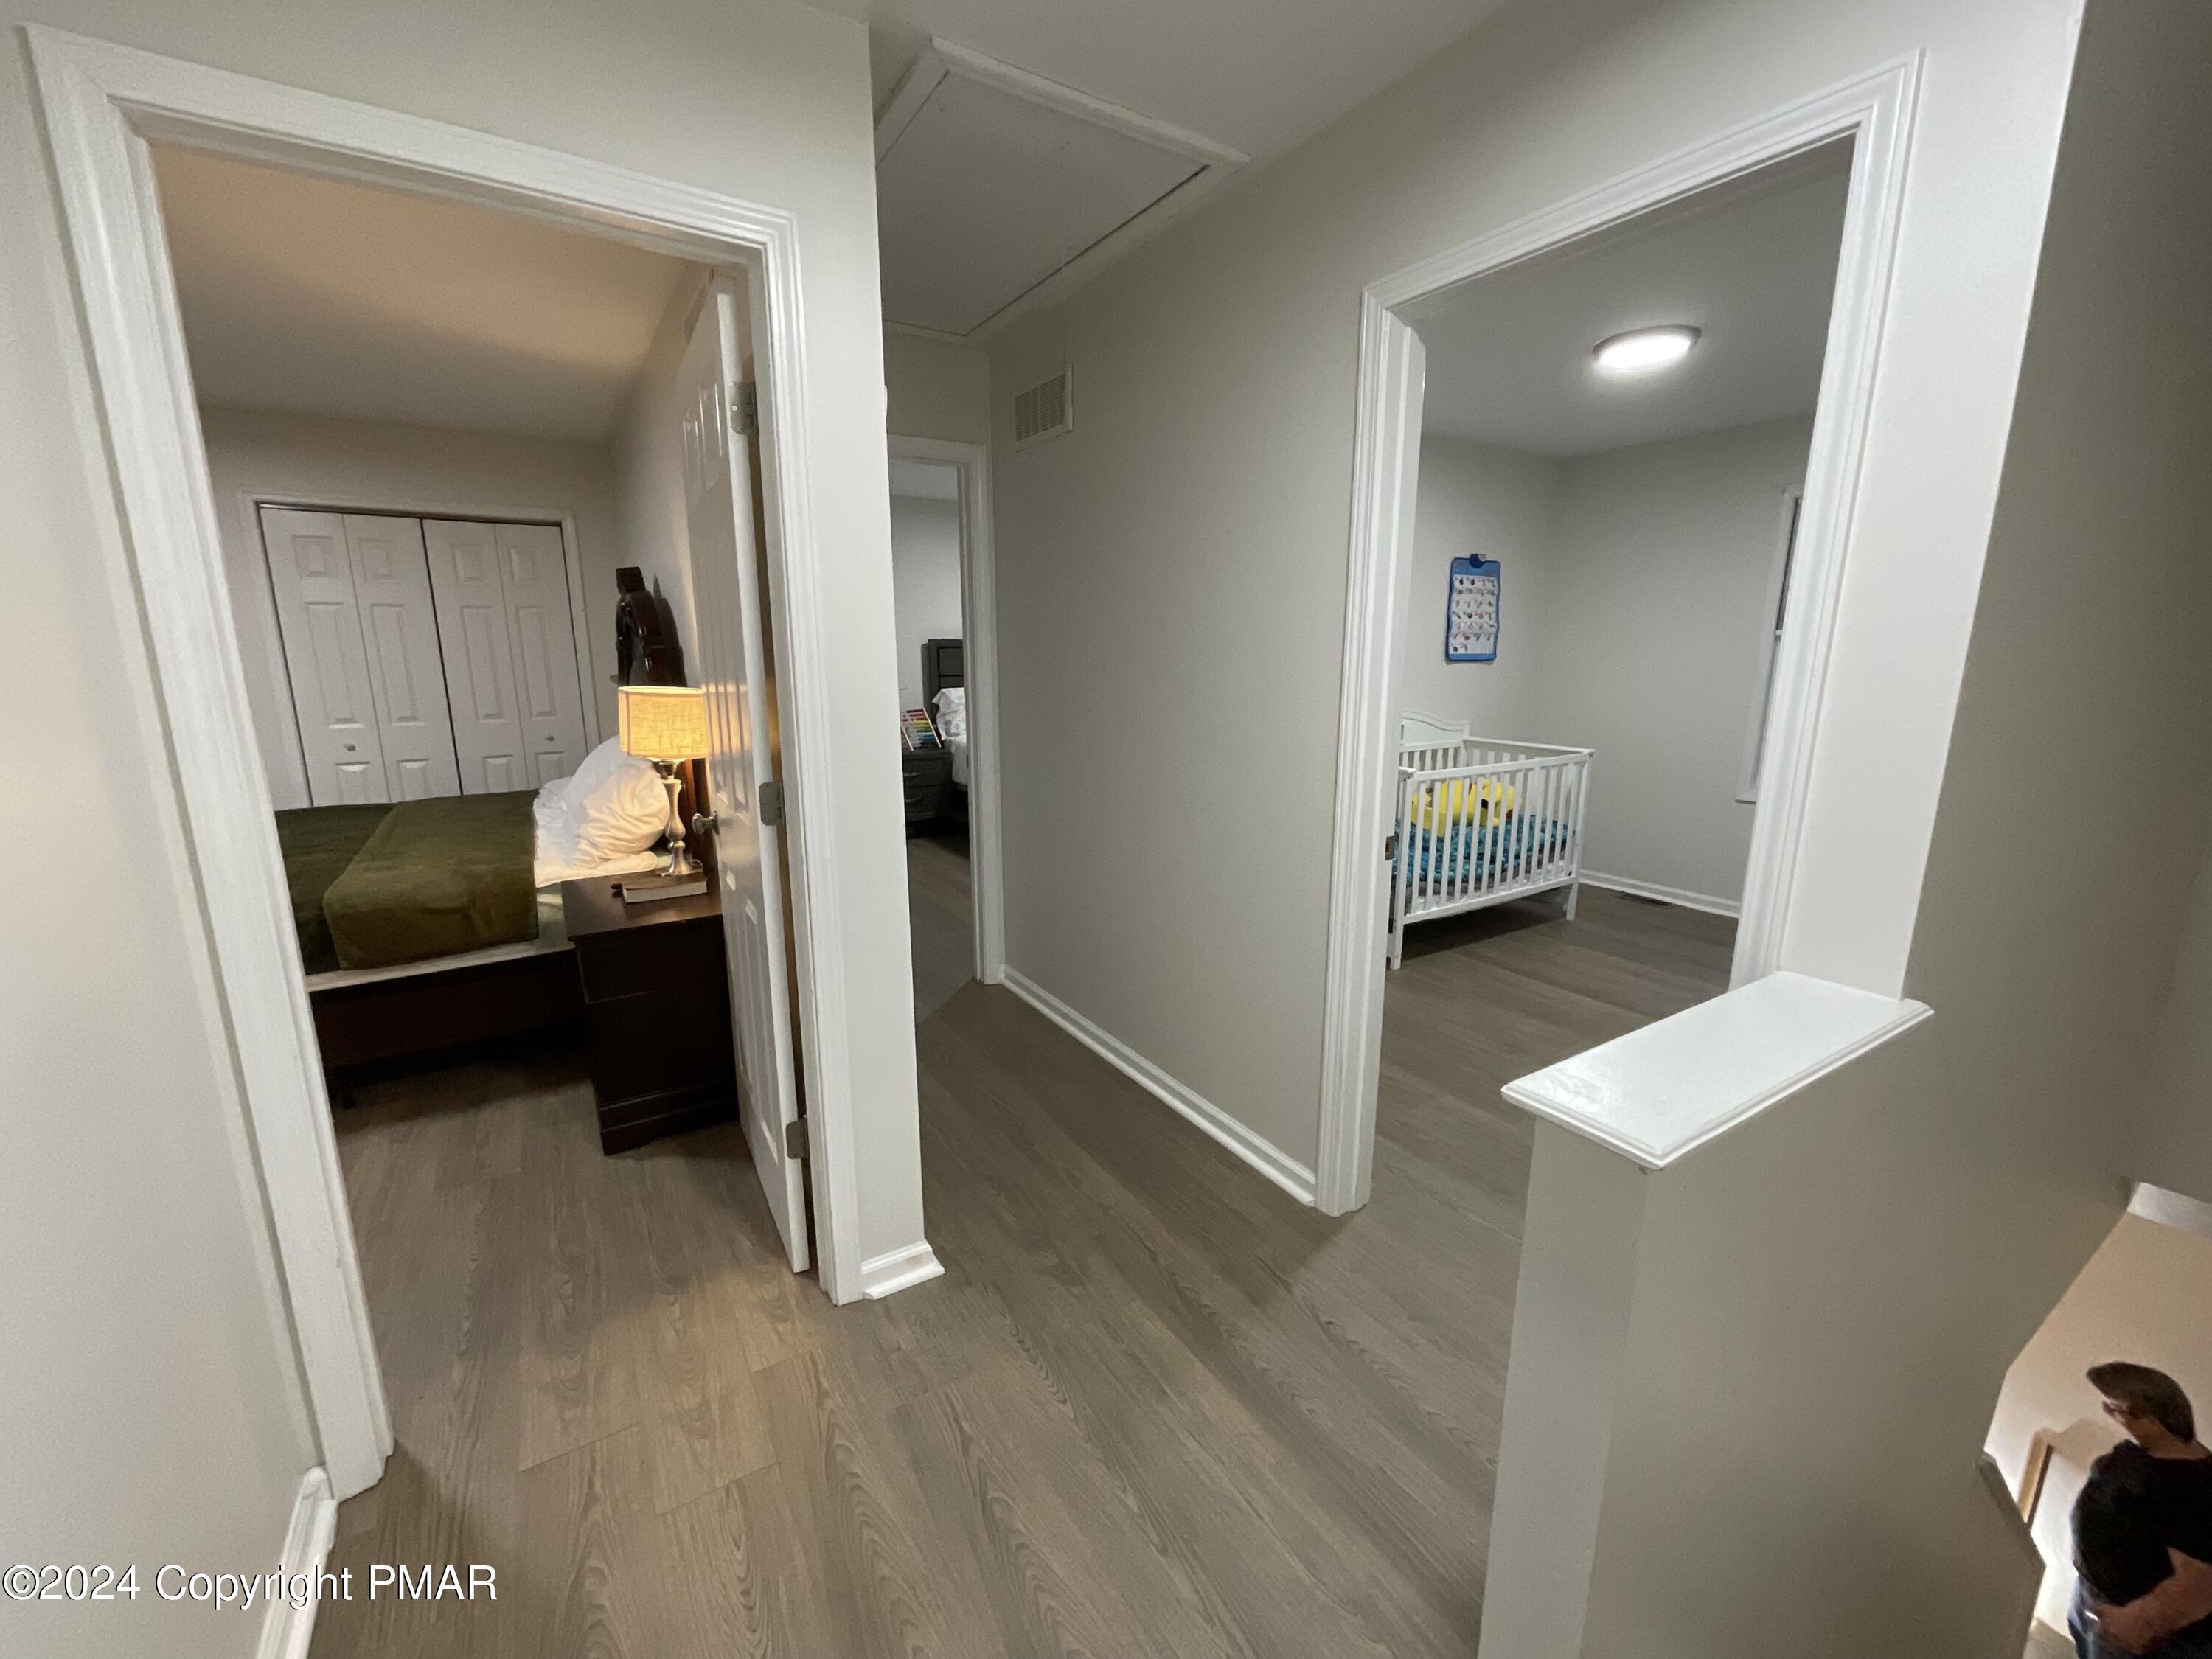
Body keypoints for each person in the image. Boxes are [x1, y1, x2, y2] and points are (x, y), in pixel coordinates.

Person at [2071, 1363, 2212, 1657]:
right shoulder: (2148, 1454)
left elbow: (2200, 1585)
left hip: (2137, 1632)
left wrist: (2136, 1623)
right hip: (2095, 1596)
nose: (2109, 1413)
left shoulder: (2190, 1488)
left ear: (2155, 1420)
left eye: (2117, 1409)